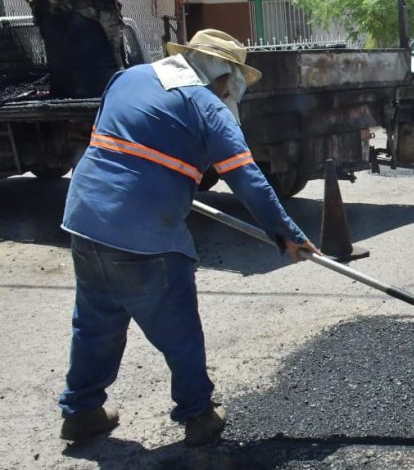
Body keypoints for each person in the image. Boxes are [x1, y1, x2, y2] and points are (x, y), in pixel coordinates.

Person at [58, 29, 319, 446]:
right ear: (224, 77)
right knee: (178, 327)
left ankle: (81, 410)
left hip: (85, 220)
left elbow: (129, 144)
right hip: (145, 234)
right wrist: (289, 234)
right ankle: (198, 413)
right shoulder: (206, 104)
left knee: (95, 322)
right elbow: (248, 179)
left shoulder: (128, 78)